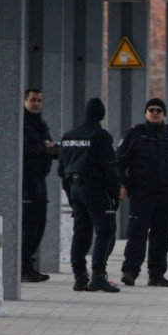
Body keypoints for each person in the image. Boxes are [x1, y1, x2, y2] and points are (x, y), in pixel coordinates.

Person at [118, 98, 168, 287]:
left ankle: (156, 275)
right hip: (141, 192)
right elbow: (119, 161)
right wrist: (123, 184)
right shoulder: (135, 134)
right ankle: (130, 272)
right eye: (151, 109)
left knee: (162, 236)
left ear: (164, 113)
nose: (155, 112)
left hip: (166, 193)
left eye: (159, 110)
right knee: (137, 234)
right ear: (145, 113)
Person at [58, 98, 121, 292]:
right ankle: (98, 275)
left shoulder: (68, 136)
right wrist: (114, 193)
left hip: (75, 187)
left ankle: (79, 276)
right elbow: (110, 166)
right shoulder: (100, 135)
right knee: (105, 229)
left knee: (81, 231)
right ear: (101, 115)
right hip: (95, 188)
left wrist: (69, 190)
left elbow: (61, 168)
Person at [22, 89, 58, 282]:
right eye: (33, 100)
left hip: (39, 177)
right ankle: (22, 266)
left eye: (39, 100)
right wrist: (44, 148)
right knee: (30, 223)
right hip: (27, 178)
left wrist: (54, 149)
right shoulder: (22, 122)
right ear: (25, 101)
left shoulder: (40, 123)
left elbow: (47, 144)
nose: (36, 103)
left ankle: (28, 264)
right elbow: (21, 147)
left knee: (39, 222)